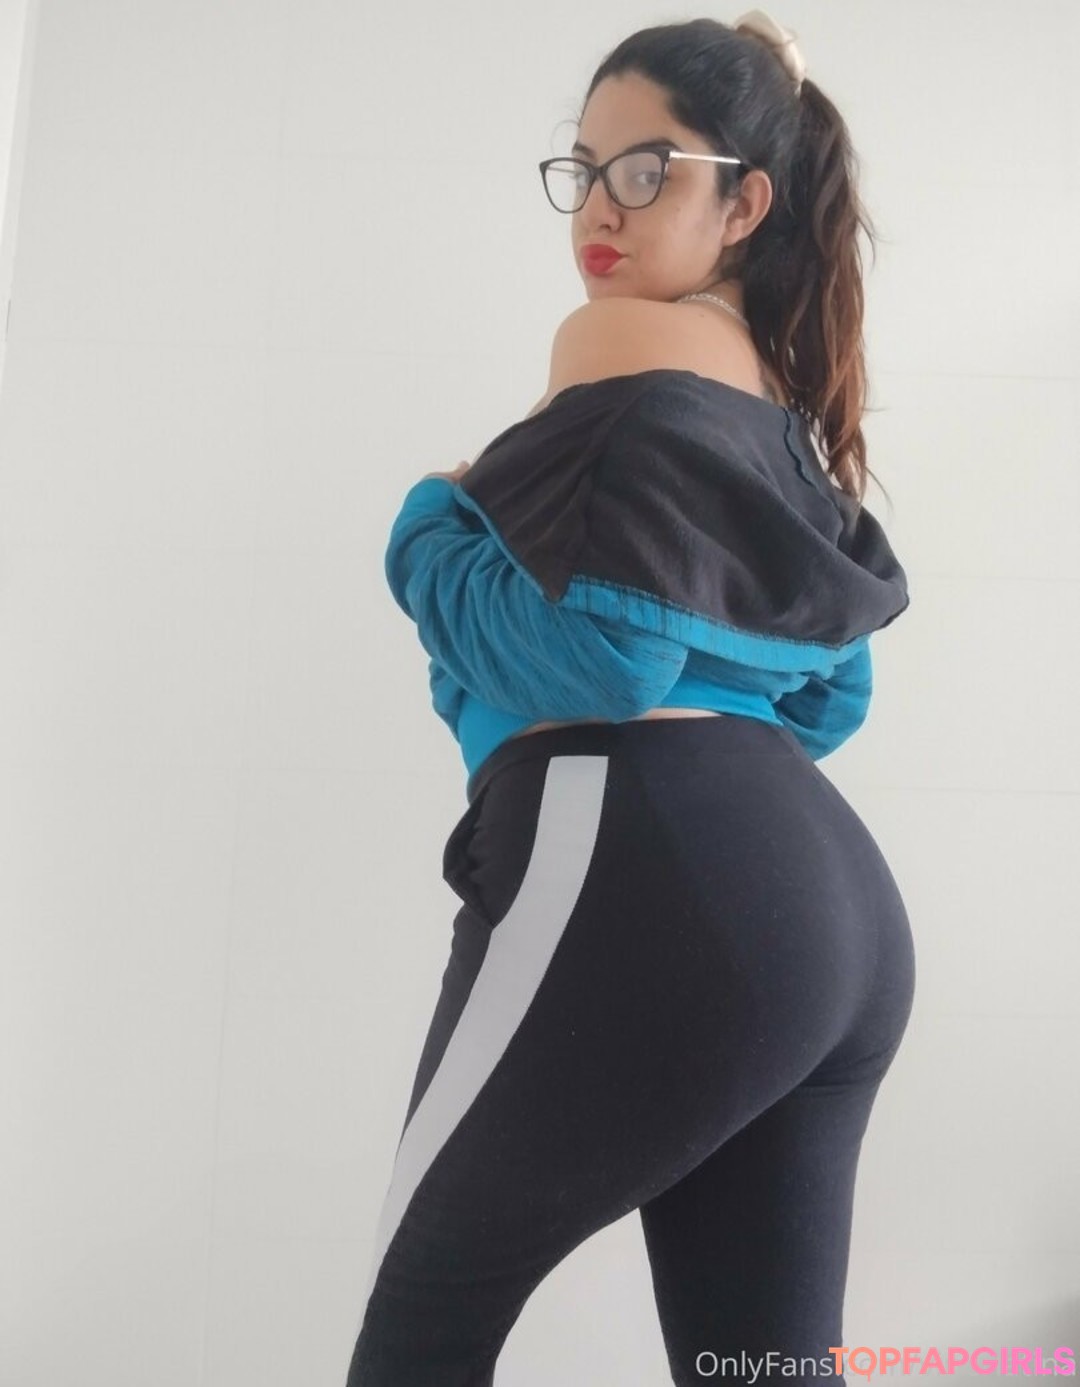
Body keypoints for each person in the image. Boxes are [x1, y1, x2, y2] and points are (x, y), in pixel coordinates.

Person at [346, 11, 916, 1385]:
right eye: (585, 170)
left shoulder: (614, 341)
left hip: (639, 850)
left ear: (745, 202)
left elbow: (599, 662)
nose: (600, 210)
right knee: (760, 1370)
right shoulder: (783, 414)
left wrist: (426, 527)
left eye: (647, 169)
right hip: (834, 918)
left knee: (423, 1324)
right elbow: (830, 700)